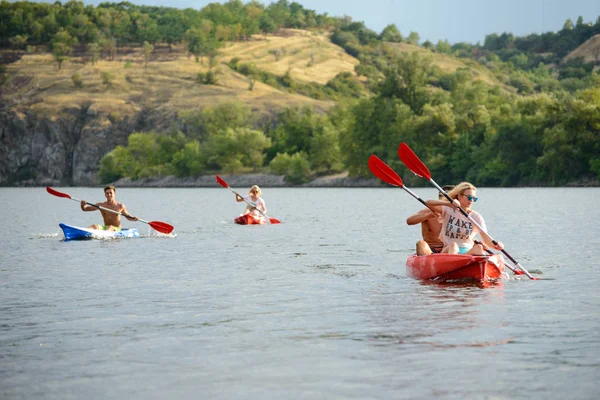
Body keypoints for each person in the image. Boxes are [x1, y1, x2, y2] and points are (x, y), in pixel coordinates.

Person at [425, 182, 504, 255]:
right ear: (459, 196)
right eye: (469, 197)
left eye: (474, 198)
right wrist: (449, 203)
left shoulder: (476, 217)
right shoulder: (448, 209)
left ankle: (477, 267)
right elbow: (428, 203)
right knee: (453, 246)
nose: (471, 200)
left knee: (479, 248)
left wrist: (496, 246)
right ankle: (453, 265)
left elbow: (486, 239)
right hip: (449, 249)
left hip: (467, 251)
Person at [406, 185, 454, 255]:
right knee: (420, 243)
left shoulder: (459, 214)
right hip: (431, 249)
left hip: (451, 249)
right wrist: (429, 215)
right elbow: (409, 221)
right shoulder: (427, 211)